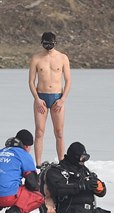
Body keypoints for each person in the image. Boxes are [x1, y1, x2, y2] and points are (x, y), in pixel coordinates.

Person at [41, 142, 114, 213]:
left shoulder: (84, 171)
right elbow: (58, 189)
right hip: (69, 211)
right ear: (74, 156)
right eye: (82, 158)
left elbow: (101, 191)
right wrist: (81, 186)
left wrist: (99, 187)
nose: (84, 161)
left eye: (86, 158)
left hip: (90, 211)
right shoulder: (57, 171)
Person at [0, 129, 44, 213]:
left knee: (4, 184)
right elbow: (33, 184)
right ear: (26, 146)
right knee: (37, 196)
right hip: (5, 196)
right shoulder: (23, 154)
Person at [28, 31, 71, 168]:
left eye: (50, 44)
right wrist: (37, 99)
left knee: (59, 132)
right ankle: (38, 164)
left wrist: (63, 99)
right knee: (39, 131)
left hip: (57, 97)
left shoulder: (63, 58)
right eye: (46, 44)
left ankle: (62, 162)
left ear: (55, 43)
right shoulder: (36, 58)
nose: (48, 47)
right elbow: (31, 82)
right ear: (42, 43)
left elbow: (68, 81)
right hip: (41, 97)